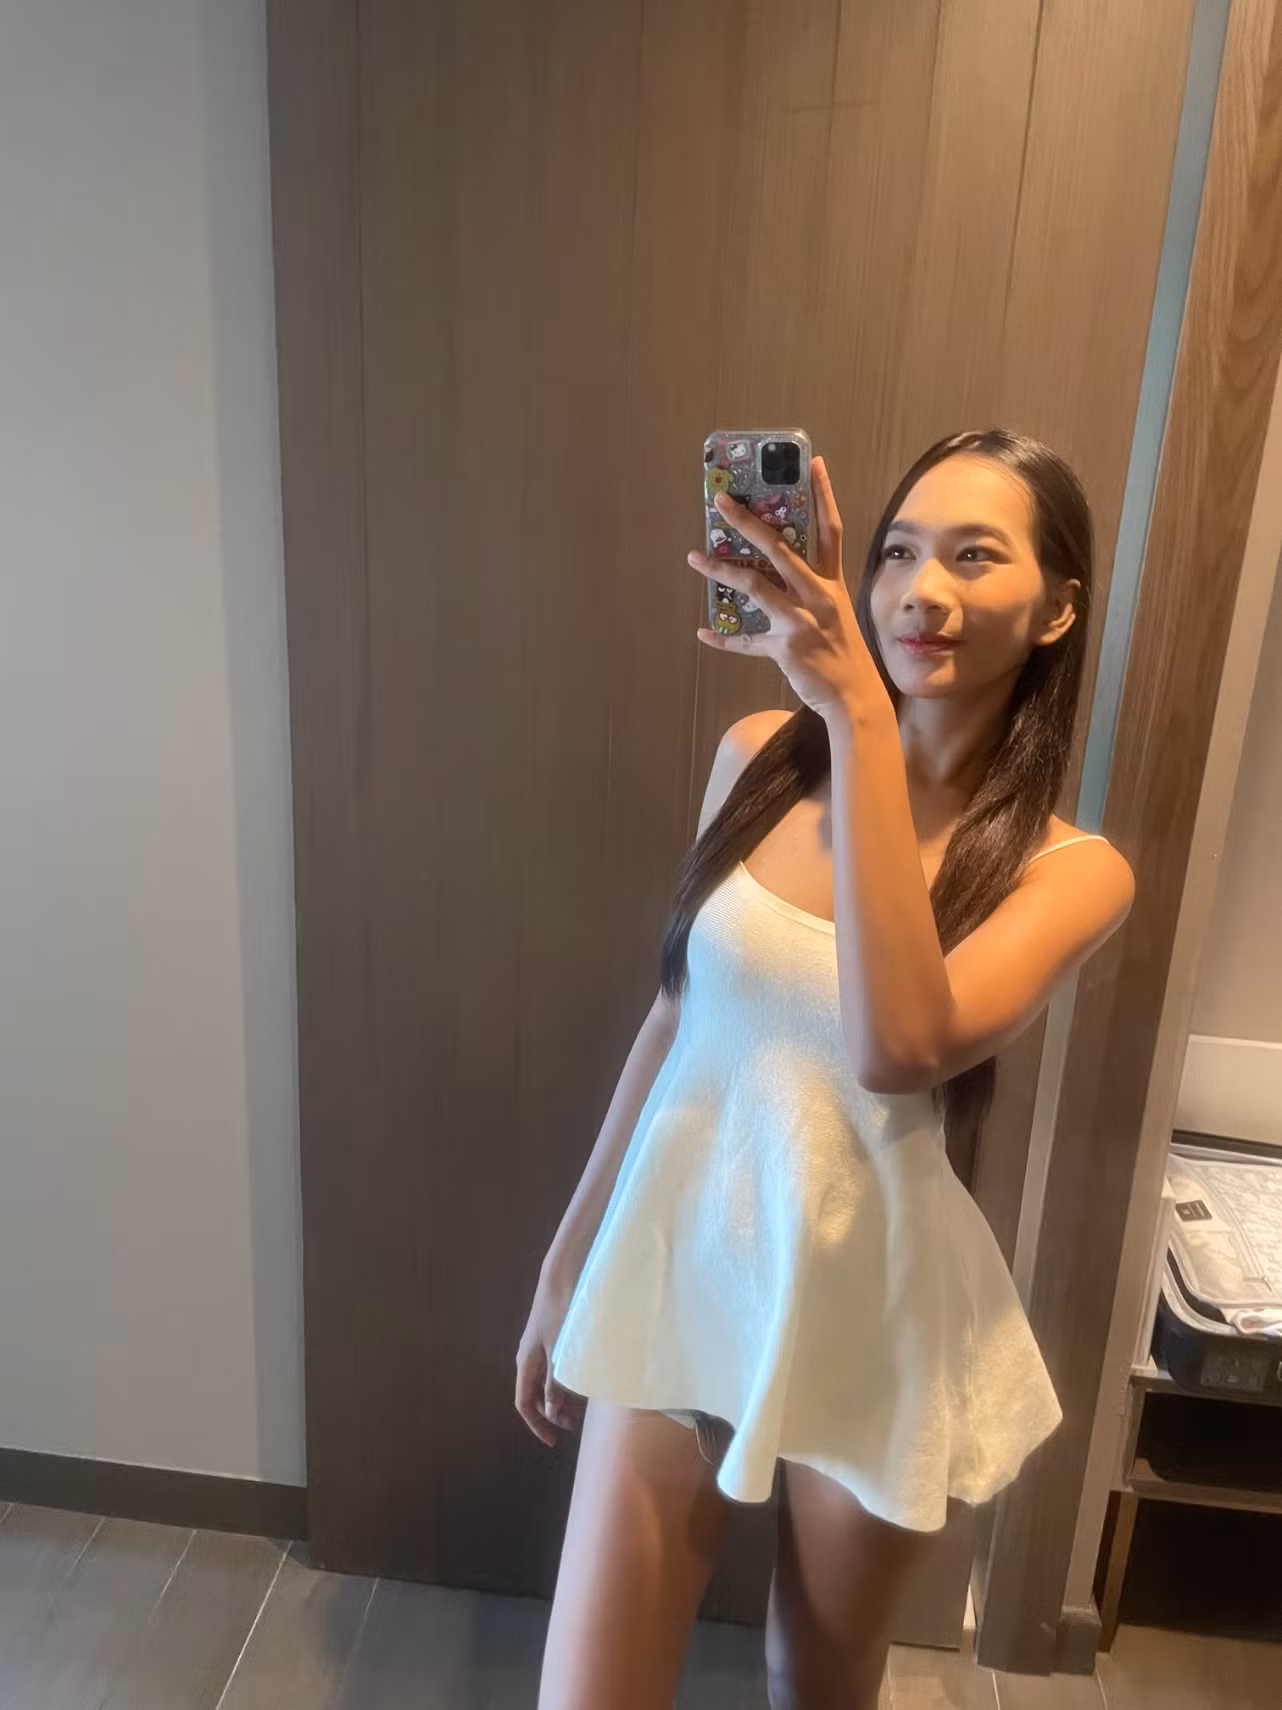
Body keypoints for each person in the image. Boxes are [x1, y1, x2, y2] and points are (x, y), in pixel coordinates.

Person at [516, 430, 1135, 1710]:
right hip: (685, 1250)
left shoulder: (1068, 872)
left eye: (975, 556)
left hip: (873, 1297)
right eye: (898, 552)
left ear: (1058, 607)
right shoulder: (757, 753)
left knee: (816, 1682)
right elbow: (675, 1018)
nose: (921, 591)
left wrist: (858, 717)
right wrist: (569, 1254)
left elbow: (895, 1049)